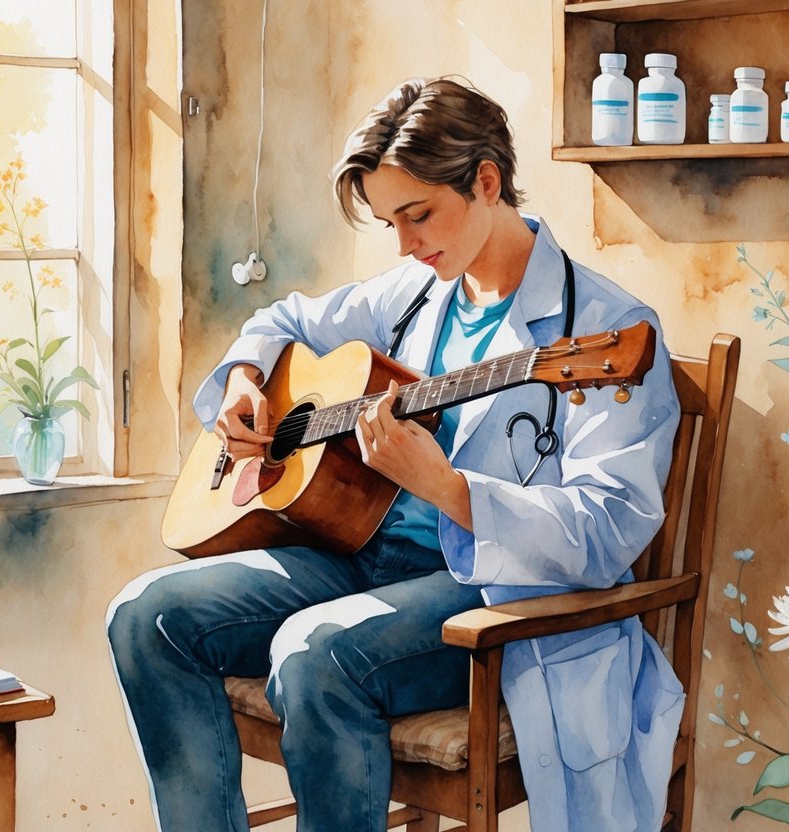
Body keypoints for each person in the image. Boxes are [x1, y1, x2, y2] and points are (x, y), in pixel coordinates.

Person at [107, 76, 685, 832]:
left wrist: (448, 490)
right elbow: (282, 319)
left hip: (487, 596)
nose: (408, 244)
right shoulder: (415, 292)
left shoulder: (602, 326)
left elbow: (610, 528)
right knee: (145, 616)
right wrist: (245, 382)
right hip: (355, 558)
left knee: (313, 655)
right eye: (391, 225)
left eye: (418, 216)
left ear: (486, 181)